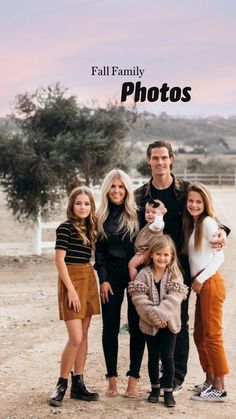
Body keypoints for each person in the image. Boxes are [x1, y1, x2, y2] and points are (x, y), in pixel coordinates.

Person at [134, 140, 229, 392]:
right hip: (152, 269)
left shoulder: (185, 190)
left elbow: (209, 216)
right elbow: (133, 230)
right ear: (149, 161)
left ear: (171, 159)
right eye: (155, 158)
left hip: (181, 269)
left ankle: (175, 378)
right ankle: (158, 374)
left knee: (179, 322)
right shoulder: (141, 195)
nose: (160, 162)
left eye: (164, 158)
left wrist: (222, 232)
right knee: (153, 320)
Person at [48, 186, 100, 406]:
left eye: (87, 203)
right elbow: (59, 261)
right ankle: (61, 384)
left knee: (85, 334)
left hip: (88, 277)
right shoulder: (65, 228)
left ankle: (79, 382)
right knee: (76, 337)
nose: (83, 207)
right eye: (79, 203)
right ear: (72, 206)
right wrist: (70, 290)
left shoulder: (91, 228)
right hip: (71, 280)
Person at [95, 169, 143, 398]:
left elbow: (149, 243)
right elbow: (99, 252)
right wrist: (103, 279)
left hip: (135, 276)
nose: (116, 191)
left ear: (127, 189)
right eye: (113, 186)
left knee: (136, 327)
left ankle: (133, 380)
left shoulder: (137, 214)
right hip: (110, 277)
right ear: (107, 189)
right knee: (110, 328)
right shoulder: (100, 217)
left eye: (121, 186)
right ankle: (111, 379)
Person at [182, 182, 229, 401]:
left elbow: (219, 257)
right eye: (191, 200)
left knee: (212, 335)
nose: (193, 204)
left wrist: (199, 280)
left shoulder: (209, 223)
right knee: (199, 334)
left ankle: (220, 386)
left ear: (205, 203)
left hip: (209, 282)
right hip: (202, 284)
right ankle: (209, 380)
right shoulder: (194, 224)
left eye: (198, 201)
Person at [129, 235, 188, 408]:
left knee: (168, 357)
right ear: (152, 255)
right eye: (158, 254)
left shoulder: (175, 275)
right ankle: (155, 388)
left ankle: (168, 391)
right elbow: (139, 300)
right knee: (153, 357)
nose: (162, 258)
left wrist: (161, 317)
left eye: (166, 255)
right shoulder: (143, 274)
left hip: (170, 324)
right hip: (149, 324)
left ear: (172, 257)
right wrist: (155, 319)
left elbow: (174, 299)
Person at [128, 198, 166, 281]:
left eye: (153, 212)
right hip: (144, 252)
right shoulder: (150, 224)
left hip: (145, 253)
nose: (149, 214)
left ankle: (135, 283)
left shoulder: (156, 226)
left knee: (131, 265)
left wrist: (161, 214)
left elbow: (158, 224)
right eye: (147, 212)